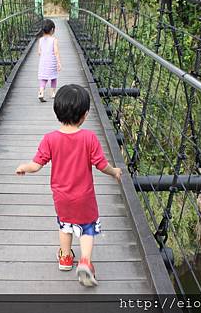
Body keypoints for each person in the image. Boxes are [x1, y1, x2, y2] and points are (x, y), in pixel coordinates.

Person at [15, 84, 123, 287]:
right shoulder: (89, 138)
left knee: (65, 225)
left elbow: (37, 165)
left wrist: (25, 167)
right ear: (85, 115)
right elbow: (101, 165)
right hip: (84, 197)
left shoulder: (50, 139)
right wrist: (114, 171)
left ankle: (65, 257)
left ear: (57, 111)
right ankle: (85, 262)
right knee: (87, 228)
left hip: (61, 196)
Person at [36, 19, 61, 102]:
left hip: (43, 63)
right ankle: (53, 93)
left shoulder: (40, 40)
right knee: (53, 78)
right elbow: (56, 52)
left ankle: (41, 92)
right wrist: (59, 63)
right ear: (52, 30)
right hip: (52, 63)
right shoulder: (54, 40)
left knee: (43, 79)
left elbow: (39, 52)